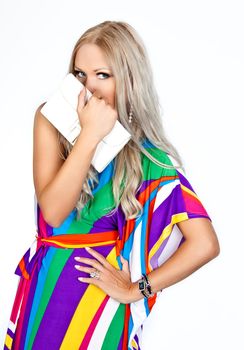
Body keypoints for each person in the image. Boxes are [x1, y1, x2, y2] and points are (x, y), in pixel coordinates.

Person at [4, 20, 220, 350]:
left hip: (100, 311)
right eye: (79, 75)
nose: (89, 87)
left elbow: (204, 244)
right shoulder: (49, 121)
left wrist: (137, 289)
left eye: (102, 75)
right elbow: (54, 211)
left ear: (129, 80)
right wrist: (90, 135)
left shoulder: (144, 157)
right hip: (45, 295)